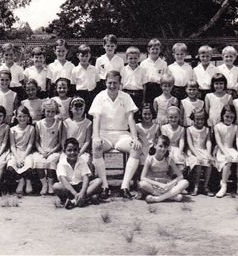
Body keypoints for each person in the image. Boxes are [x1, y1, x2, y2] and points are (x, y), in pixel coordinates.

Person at [89, 71, 142, 199]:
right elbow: (96, 118)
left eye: (115, 83)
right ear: (105, 83)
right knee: (96, 148)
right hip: (104, 133)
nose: (112, 86)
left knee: (136, 148)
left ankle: (125, 187)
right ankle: (105, 186)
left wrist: (135, 138)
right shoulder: (100, 97)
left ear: (120, 84)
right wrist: (96, 137)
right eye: (110, 83)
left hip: (122, 134)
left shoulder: (126, 97)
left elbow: (131, 119)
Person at [214, 105, 238, 198]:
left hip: (231, 149)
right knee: (228, 161)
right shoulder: (217, 127)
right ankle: (223, 186)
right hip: (221, 150)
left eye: (231, 117)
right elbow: (219, 142)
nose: (229, 119)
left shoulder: (235, 127)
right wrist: (226, 153)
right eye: (227, 116)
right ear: (222, 115)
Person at [53, 138, 102, 209]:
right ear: (64, 151)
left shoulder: (82, 161)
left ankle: (74, 202)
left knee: (98, 181)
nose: (72, 152)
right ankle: (86, 198)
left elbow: (85, 177)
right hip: (68, 188)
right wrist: (75, 194)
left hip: (80, 186)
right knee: (56, 186)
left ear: (79, 151)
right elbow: (63, 180)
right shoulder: (61, 163)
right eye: (69, 150)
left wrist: (82, 192)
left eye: (75, 150)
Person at [139, 135, 189, 203]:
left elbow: (180, 176)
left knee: (185, 182)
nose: (163, 149)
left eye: (165, 147)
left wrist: (170, 184)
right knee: (142, 184)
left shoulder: (169, 159)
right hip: (154, 186)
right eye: (160, 146)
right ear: (155, 145)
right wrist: (158, 184)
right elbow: (142, 177)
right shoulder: (150, 159)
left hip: (166, 185)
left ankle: (158, 198)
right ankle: (171, 197)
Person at [32, 99, 62, 195]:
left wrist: (51, 151)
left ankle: (50, 184)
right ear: (44, 111)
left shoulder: (58, 124)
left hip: (54, 150)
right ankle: (44, 184)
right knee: (39, 161)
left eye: (53, 112)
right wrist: (41, 151)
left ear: (56, 112)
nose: (50, 114)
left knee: (50, 161)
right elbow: (36, 141)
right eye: (48, 111)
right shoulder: (39, 124)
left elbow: (60, 142)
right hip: (41, 150)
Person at [6, 106, 35, 196]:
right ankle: (21, 181)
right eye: (20, 116)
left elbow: (30, 144)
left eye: (24, 116)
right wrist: (18, 158)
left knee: (29, 163)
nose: (22, 118)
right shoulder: (12, 130)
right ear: (16, 117)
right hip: (16, 152)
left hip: (27, 152)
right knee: (11, 164)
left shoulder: (31, 128)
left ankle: (28, 181)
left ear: (28, 117)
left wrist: (23, 157)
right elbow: (12, 145)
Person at [186, 108, 214, 196]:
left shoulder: (206, 129)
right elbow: (190, 144)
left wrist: (209, 153)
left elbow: (208, 142)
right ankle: (196, 186)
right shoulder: (189, 129)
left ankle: (205, 186)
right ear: (193, 119)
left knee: (209, 162)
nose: (200, 121)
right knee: (198, 162)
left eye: (202, 119)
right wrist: (196, 154)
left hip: (203, 150)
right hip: (192, 151)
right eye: (197, 119)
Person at [71, 44, 99, 112]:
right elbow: (73, 85)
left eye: (86, 56)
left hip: (92, 95)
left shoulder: (94, 69)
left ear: (90, 56)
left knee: (91, 113)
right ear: (78, 55)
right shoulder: (75, 70)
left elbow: (97, 82)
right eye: (82, 56)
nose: (84, 58)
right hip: (80, 95)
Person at [121, 46, 146, 120]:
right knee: (127, 114)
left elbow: (144, 85)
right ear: (126, 58)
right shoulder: (123, 70)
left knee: (137, 115)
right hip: (127, 94)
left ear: (139, 58)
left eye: (135, 58)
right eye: (130, 58)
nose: (133, 60)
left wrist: (143, 99)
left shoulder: (142, 70)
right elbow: (121, 85)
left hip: (138, 94)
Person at [136, 104, 160, 179]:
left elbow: (158, 140)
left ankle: (151, 177)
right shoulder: (137, 126)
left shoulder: (156, 126)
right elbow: (135, 139)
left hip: (152, 148)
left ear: (153, 114)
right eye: (145, 114)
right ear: (141, 114)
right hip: (141, 148)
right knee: (140, 156)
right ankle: (140, 178)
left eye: (149, 114)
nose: (147, 116)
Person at [140, 38, 167, 104]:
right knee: (148, 108)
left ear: (160, 50)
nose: (155, 51)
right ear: (148, 50)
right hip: (147, 89)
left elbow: (164, 78)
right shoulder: (143, 63)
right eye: (152, 49)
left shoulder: (163, 63)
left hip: (159, 88)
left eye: (157, 49)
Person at [160, 107, 186, 173]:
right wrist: (168, 149)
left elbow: (181, 141)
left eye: (175, 117)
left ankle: (178, 177)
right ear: (167, 117)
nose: (173, 119)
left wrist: (180, 151)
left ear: (179, 117)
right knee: (169, 159)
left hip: (177, 148)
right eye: (171, 117)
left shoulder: (181, 129)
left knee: (179, 160)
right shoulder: (164, 128)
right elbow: (164, 140)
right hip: (167, 148)